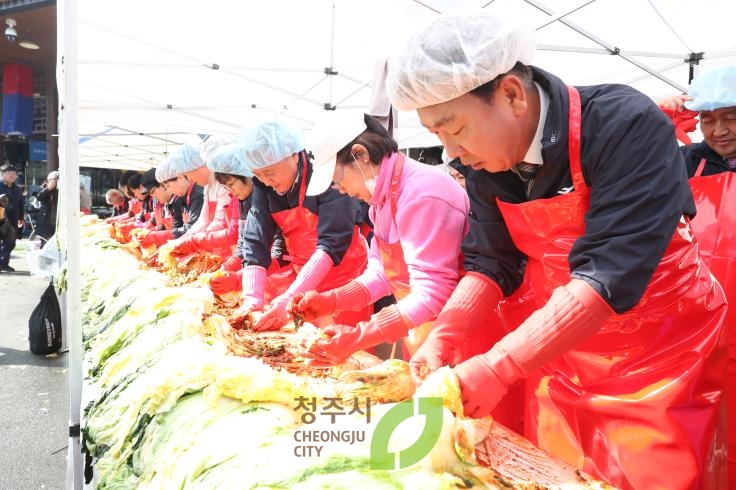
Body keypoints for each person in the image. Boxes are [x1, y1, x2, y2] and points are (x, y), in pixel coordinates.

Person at [386, 11, 727, 489]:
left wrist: (499, 365)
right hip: (561, 352)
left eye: (454, 129)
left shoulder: (624, 124)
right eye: (436, 136)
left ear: (510, 94)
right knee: (559, 475)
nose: (451, 153)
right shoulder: (489, 163)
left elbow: (608, 271)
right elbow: (492, 262)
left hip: (664, 358)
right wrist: (447, 332)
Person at [289, 111, 469, 366]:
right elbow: (382, 273)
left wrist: (357, 337)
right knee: (421, 403)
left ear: (361, 155)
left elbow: (432, 292)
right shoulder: (382, 201)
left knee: (446, 404)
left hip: (457, 338)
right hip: (419, 328)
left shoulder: (423, 192)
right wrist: (331, 300)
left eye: (338, 180)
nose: (341, 190)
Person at [659, 65, 736, 487]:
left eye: (730, 117)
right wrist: (656, 126)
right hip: (700, 313)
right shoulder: (688, 161)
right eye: (708, 119)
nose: (718, 130)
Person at [233, 119, 370, 331]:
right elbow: (256, 237)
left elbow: (332, 242)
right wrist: (252, 298)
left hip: (345, 280)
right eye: (258, 175)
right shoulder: (264, 185)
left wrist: (289, 296)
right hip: (303, 280)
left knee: (343, 349)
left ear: (294, 155)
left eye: (269, 173)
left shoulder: (324, 173)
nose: (266, 181)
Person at [205, 143, 288, 297]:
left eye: (231, 184)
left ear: (246, 173)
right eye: (226, 187)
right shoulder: (243, 200)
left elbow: (280, 247)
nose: (231, 191)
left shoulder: (269, 195)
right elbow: (245, 241)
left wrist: (241, 276)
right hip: (258, 273)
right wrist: (229, 267)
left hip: (279, 274)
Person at [162, 143, 238, 258]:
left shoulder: (223, 184)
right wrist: (183, 240)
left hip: (229, 245)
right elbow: (203, 220)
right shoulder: (207, 187)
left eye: (189, 174)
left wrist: (193, 241)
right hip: (214, 243)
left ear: (198, 167)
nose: (190, 179)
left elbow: (219, 221)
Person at [154, 158, 204, 239]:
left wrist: (162, 236)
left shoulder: (198, 194)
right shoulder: (183, 196)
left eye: (168, 186)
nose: (170, 190)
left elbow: (194, 226)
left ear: (180, 178)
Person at [0, 164, 24, 271]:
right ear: (2, 174)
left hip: (13, 219)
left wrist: (21, 218)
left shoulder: (18, 189)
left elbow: (20, 204)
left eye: (14, 174)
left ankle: (4, 264)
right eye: (10, 173)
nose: (13, 176)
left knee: (10, 242)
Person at [35, 171, 59, 241]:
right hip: (46, 219)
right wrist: (48, 188)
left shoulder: (61, 189)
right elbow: (39, 197)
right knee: (44, 241)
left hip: (57, 219)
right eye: (54, 181)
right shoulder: (45, 188)